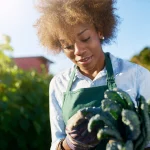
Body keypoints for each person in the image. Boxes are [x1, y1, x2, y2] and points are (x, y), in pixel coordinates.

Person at [35, 0, 150, 149]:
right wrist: (71, 143)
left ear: (100, 31)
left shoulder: (137, 75)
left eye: (85, 38)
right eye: (68, 46)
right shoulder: (58, 84)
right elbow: (56, 144)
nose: (78, 51)